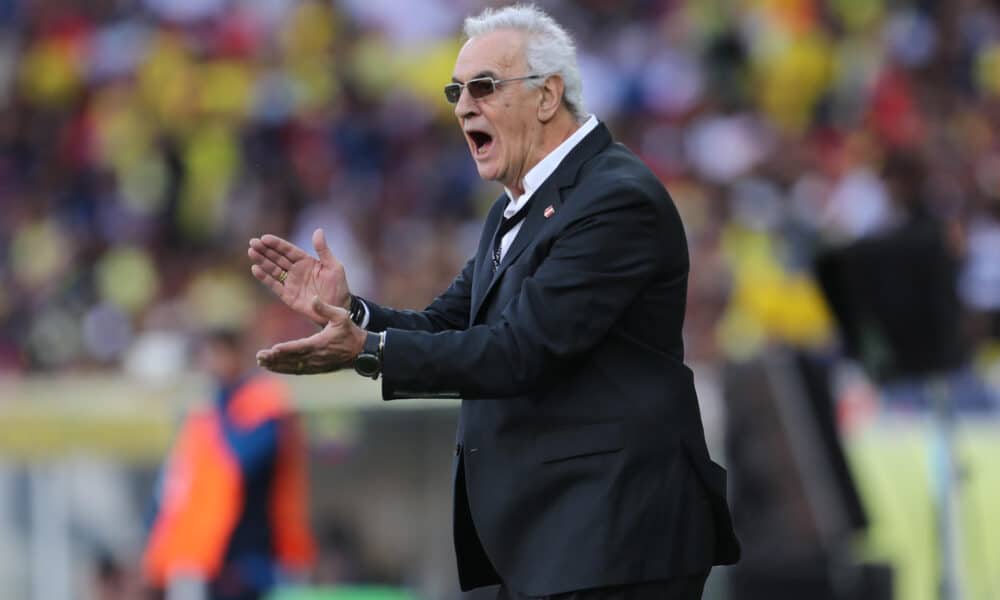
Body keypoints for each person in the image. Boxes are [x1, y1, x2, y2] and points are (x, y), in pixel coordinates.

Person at [248, 5, 739, 599]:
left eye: (483, 87)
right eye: (457, 90)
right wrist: (352, 313)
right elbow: (447, 324)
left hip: (614, 534)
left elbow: (521, 350)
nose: (461, 106)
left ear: (546, 96)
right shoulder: (519, 204)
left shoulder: (615, 199)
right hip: (559, 538)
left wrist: (370, 351)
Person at [143, 328, 316, 600]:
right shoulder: (205, 414)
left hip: (262, 554)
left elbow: (242, 461)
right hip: (206, 554)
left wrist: (219, 411)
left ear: (237, 354)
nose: (212, 363)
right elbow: (175, 485)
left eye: (219, 352)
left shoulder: (263, 403)